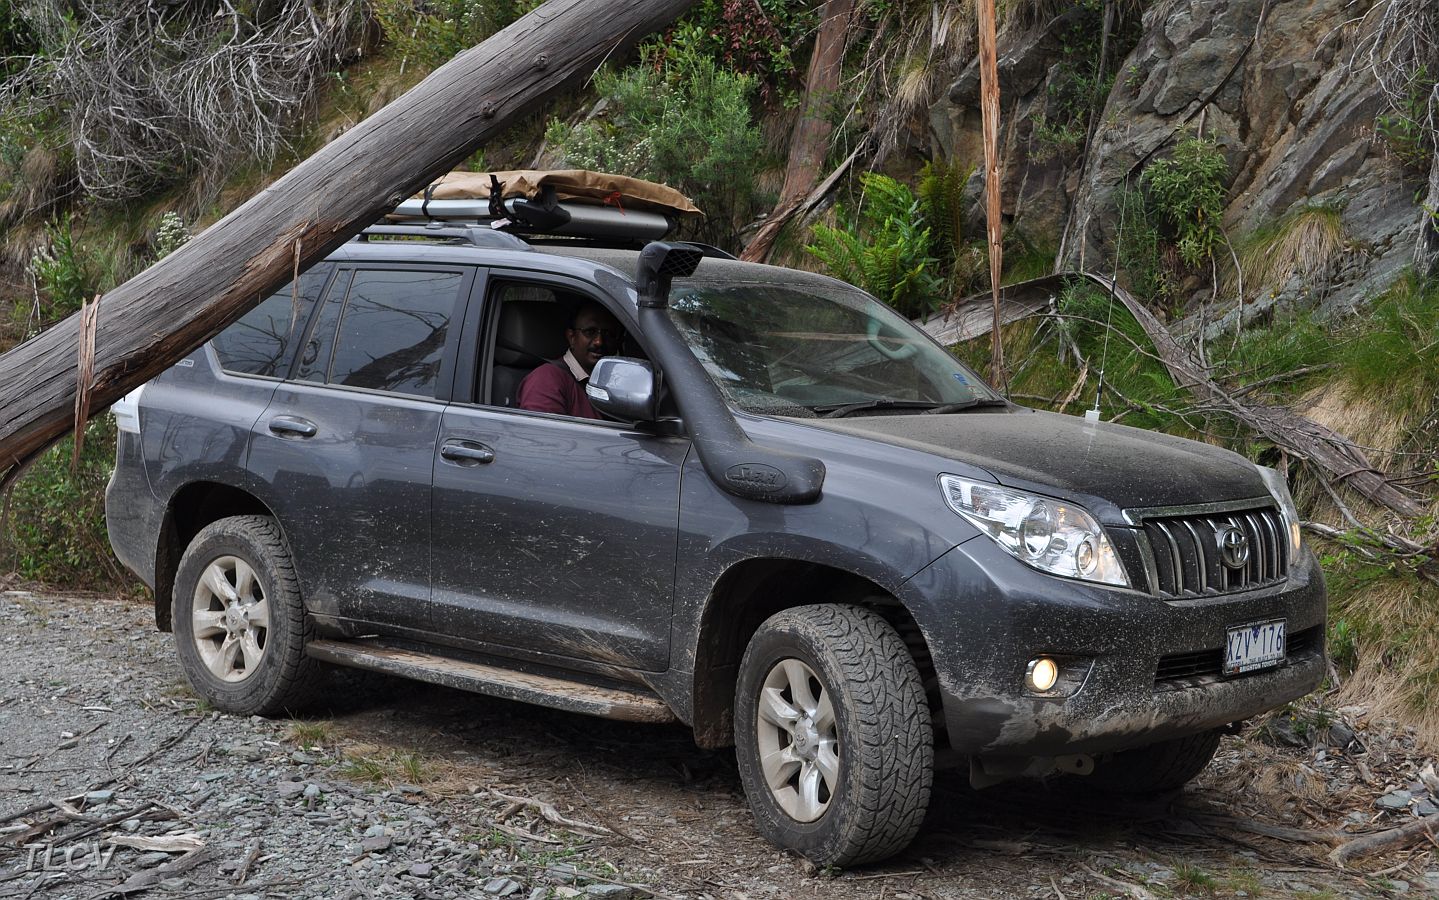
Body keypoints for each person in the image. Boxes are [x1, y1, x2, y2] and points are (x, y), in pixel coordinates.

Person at [516, 301, 622, 419]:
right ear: (572, 337)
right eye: (590, 332)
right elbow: (543, 435)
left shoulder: (616, 383)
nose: (599, 341)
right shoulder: (547, 378)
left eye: (608, 334)